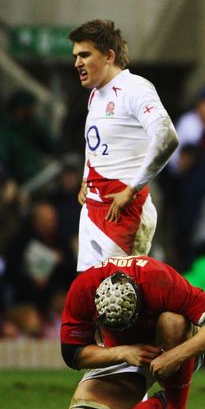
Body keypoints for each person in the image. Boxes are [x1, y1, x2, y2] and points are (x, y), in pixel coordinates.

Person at [59, 255, 205, 409]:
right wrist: (123, 353)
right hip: (121, 354)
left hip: (170, 347)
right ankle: (157, 407)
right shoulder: (83, 288)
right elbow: (72, 354)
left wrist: (174, 356)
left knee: (173, 321)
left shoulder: (159, 280)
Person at [71, 20, 178, 272]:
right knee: (93, 298)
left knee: (117, 301)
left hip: (124, 209)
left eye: (85, 55)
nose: (77, 62)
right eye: (76, 56)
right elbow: (96, 143)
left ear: (109, 56)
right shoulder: (96, 94)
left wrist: (131, 189)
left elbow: (167, 137)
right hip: (95, 207)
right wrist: (86, 178)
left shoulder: (135, 89)